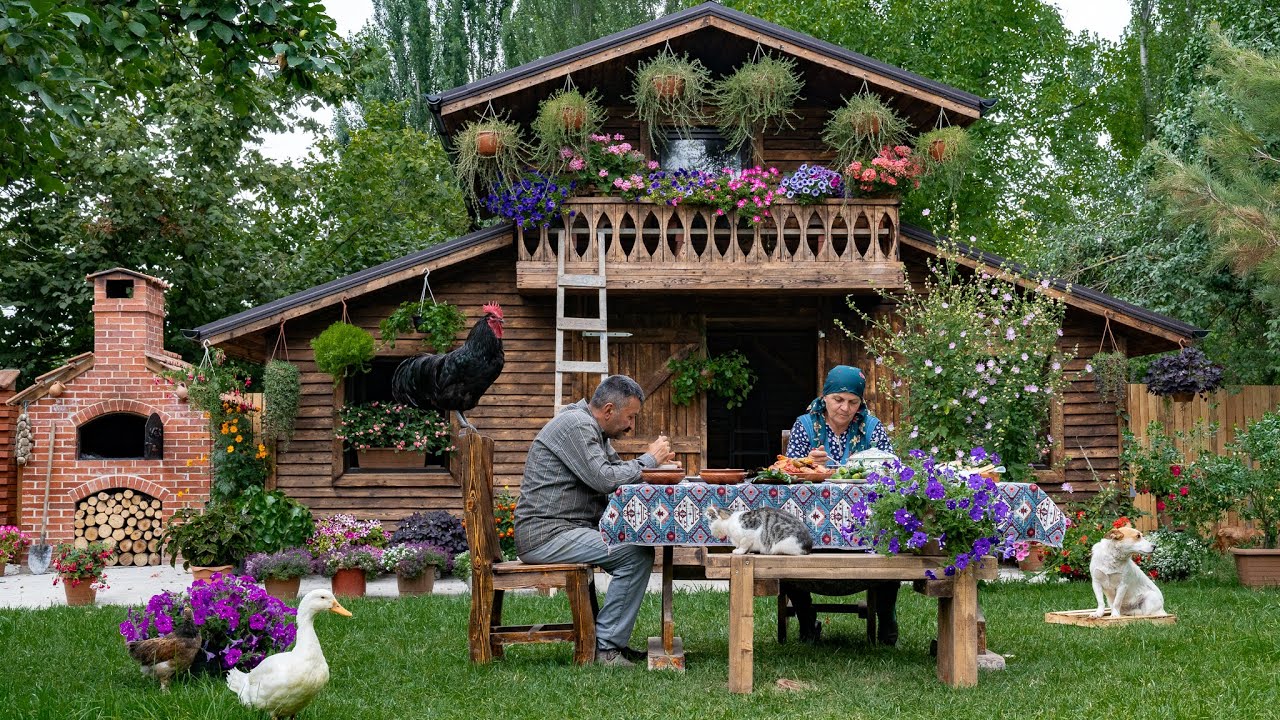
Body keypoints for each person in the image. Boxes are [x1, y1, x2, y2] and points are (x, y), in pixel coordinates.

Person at [514, 375, 676, 667]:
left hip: (564, 531)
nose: (632, 426)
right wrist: (649, 460)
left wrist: (657, 468)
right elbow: (604, 479)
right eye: (631, 417)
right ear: (610, 410)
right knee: (635, 553)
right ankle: (606, 648)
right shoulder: (576, 426)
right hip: (546, 535)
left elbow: (616, 473)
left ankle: (608, 641)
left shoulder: (592, 430)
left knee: (636, 549)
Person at [781, 365, 901, 645]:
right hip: (811, 521)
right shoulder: (805, 425)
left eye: (852, 401)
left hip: (865, 523)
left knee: (890, 543)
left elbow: (892, 472)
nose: (845, 408)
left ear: (861, 403)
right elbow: (788, 474)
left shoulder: (871, 428)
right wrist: (808, 463)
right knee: (784, 544)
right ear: (824, 398)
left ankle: (887, 620)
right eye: (838, 399)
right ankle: (807, 619)